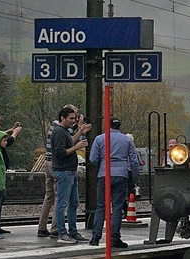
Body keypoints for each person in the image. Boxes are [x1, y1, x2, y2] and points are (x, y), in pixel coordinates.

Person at [88, 119, 141, 249]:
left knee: (101, 206)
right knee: (117, 207)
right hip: (121, 175)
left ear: (108, 125)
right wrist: (134, 178)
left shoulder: (100, 139)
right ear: (119, 126)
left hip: (104, 175)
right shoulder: (127, 140)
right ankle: (115, 238)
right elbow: (134, 161)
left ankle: (95, 237)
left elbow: (93, 159)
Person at [50, 105, 91, 242]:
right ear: (63, 118)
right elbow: (61, 153)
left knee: (74, 203)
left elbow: (70, 142)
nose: (73, 121)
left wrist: (80, 132)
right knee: (62, 204)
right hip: (64, 170)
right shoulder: (59, 132)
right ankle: (62, 233)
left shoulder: (65, 131)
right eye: (71, 118)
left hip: (70, 171)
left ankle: (73, 231)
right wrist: (77, 147)